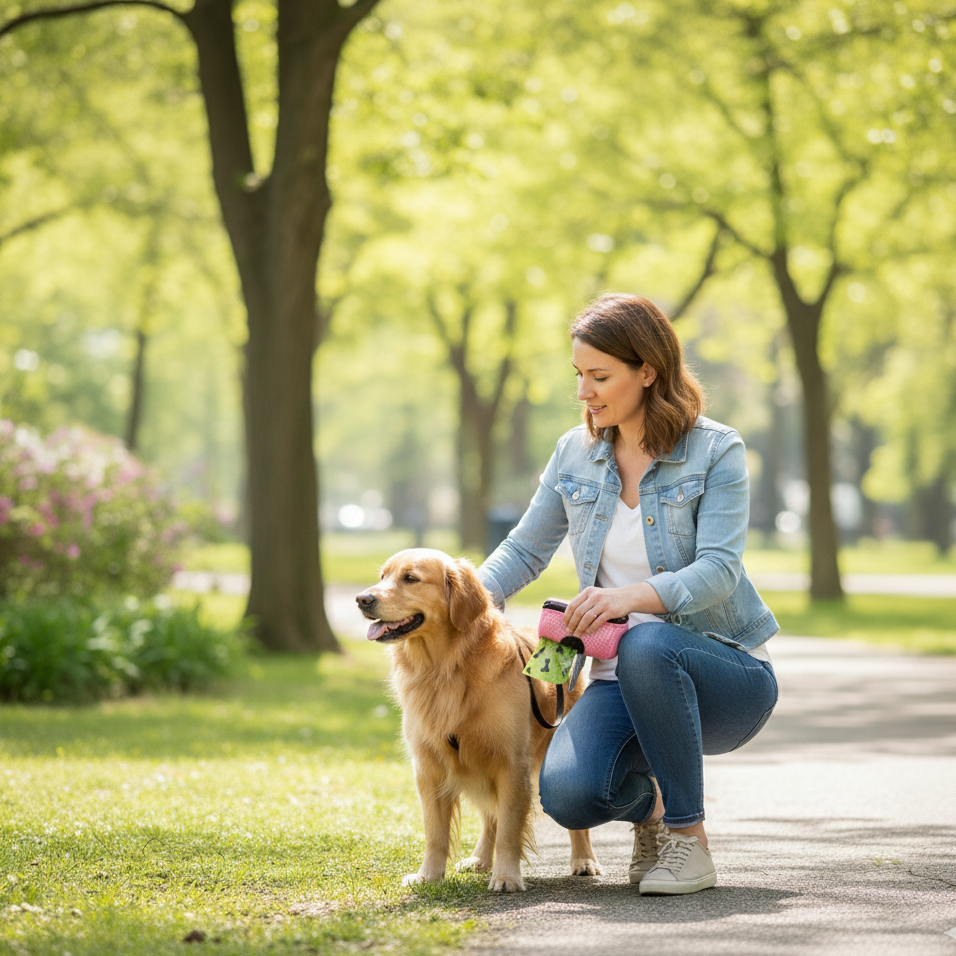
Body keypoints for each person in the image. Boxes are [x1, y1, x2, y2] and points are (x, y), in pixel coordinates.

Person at [477, 292, 779, 896]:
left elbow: (719, 569)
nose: (584, 392)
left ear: (648, 371)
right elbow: (524, 550)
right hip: (617, 679)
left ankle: (689, 842)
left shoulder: (716, 449)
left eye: (600, 376)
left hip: (722, 674)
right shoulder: (574, 452)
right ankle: (654, 810)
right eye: (579, 375)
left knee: (645, 644)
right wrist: (462, 597)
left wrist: (628, 599)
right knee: (567, 795)